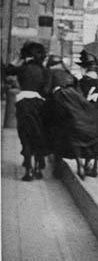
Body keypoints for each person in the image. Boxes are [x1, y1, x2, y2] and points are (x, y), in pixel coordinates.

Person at [45, 54, 98, 180]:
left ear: (85, 68)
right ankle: (95, 165)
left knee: (78, 137)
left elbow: (77, 100)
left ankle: (81, 164)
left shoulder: (82, 82)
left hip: (85, 114)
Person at [5, 42, 49, 181]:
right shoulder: (44, 70)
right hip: (39, 105)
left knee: (25, 135)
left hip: (23, 104)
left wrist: (18, 58)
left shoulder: (22, 68)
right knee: (38, 134)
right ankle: (38, 168)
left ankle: (28, 170)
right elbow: (46, 90)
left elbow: (7, 70)